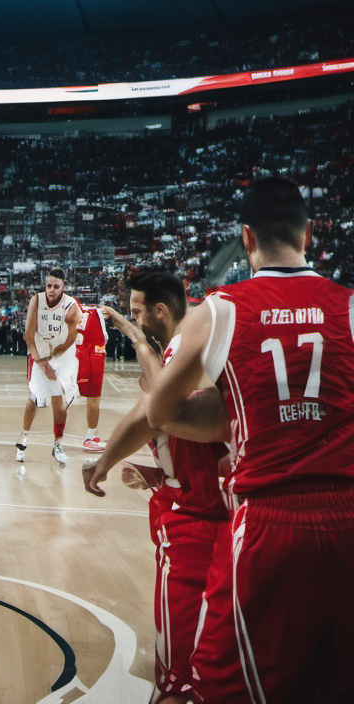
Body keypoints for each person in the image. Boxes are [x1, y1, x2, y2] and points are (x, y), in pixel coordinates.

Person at [147, 177, 354, 704]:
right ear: (309, 235)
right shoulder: (349, 306)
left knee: (221, 687)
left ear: (246, 237)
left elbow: (160, 410)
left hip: (268, 521)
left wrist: (233, 421)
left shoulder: (220, 310)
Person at [82, 272, 228, 704]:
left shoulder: (188, 351)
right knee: (220, 643)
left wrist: (103, 463)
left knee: (180, 666)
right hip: (230, 515)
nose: (135, 321)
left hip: (194, 522)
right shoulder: (208, 340)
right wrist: (157, 473)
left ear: (161, 312)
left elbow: (153, 413)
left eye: (138, 313)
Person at [15, 268, 82, 465]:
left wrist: (56, 355)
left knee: (59, 399)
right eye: (48, 286)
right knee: (35, 397)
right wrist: (44, 363)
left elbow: (71, 339)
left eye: (56, 286)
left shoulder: (71, 306)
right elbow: (29, 335)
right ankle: (23, 437)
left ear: (64, 287)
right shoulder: (36, 300)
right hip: (41, 351)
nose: (51, 290)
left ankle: (58, 444)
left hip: (62, 354)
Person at [76, 303, 108, 452]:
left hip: (89, 352)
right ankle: (89, 435)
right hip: (86, 353)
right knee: (93, 398)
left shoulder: (92, 312)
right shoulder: (96, 312)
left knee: (94, 398)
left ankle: (91, 434)